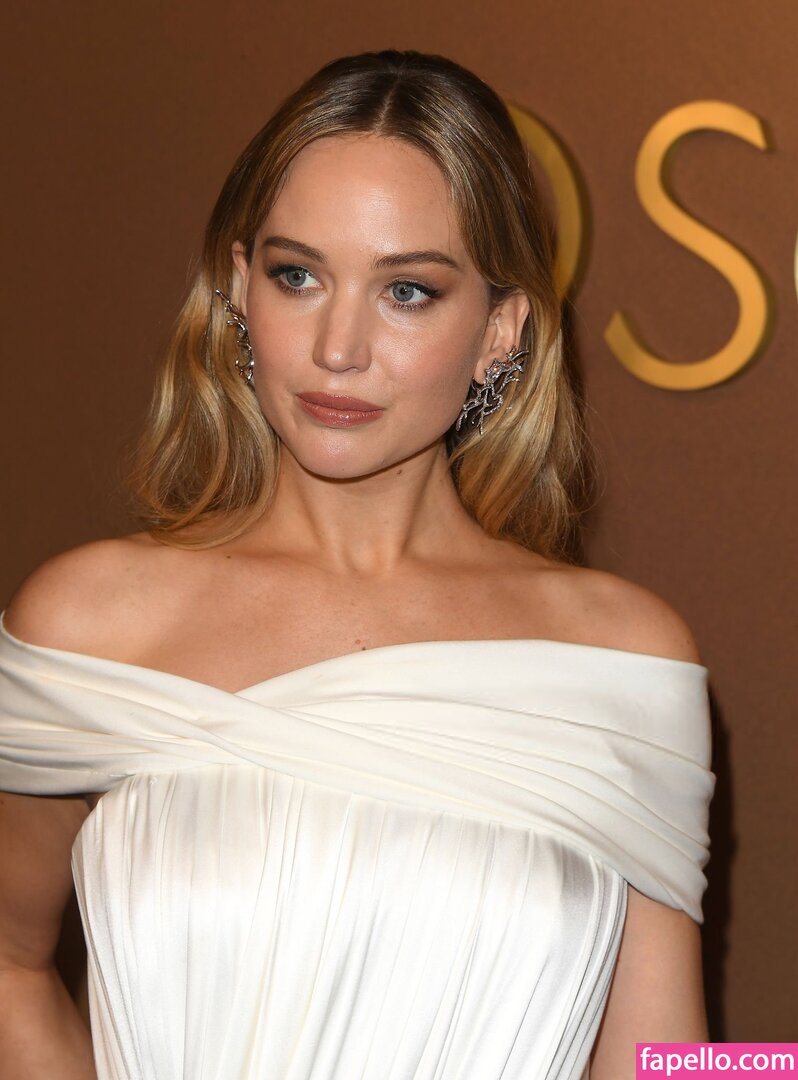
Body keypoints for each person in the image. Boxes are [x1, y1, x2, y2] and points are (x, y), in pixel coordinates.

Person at [0, 49, 714, 1080]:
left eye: (407, 291)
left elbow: (667, 1062)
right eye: (297, 276)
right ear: (238, 287)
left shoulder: (622, 661)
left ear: (500, 330)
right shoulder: (90, 626)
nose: (338, 346)